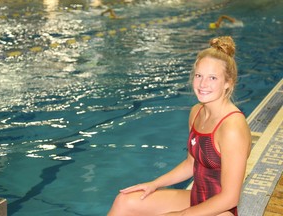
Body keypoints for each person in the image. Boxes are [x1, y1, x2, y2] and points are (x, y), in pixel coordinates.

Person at [107, 36, 251, 216]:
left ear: (228, 83)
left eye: (212, 78)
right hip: (196, 198)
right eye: (199, 76)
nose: (203, 84)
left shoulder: (232, 127)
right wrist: (155, 184)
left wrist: (182, 214)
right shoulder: (196, 112)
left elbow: (230, 198)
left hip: (220, 210)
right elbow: (191, 164)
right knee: (125, 201)